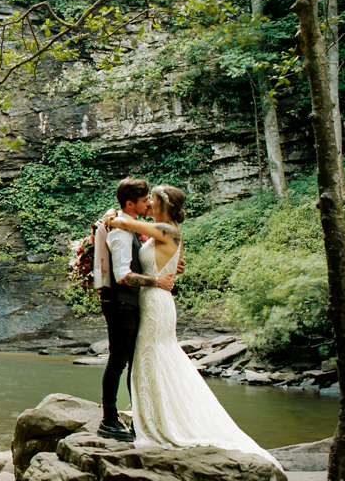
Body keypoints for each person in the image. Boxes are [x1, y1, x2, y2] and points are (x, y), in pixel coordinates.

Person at [104, 184, 280, 465]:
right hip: (153, 298)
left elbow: (125, 223)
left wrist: (110, 216)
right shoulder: (165, 231)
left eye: (152, 201)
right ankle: (150, 416)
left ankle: (156, 420)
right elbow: (171, 260)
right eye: (146, 200)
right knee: (151, 359)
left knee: (153, 357)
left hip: (156, 301)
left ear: (164, 206)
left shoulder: (167, 230)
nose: (148, 204)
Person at [97, 176, 175, 441]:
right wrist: (156, 281)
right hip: (121, 303)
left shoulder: (127, 227)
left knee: (129, 360)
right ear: (130, 204)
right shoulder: (121, 232)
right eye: (143, 200)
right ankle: (109, 419)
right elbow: (122, 276)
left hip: (128, 303)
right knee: (118, 359)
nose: (148, 204)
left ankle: (137, 419)